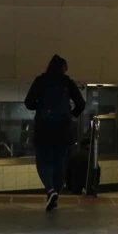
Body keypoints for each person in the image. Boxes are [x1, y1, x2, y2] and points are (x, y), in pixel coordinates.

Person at [24, 54, 85, 211]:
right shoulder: (67, 82)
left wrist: (40, 107)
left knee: (43, 161)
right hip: (63, 129)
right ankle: (56, 195)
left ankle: (50, 190)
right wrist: (71, 115)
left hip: (44, 128)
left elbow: (28, 102)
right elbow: (81, 103)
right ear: (63, 69)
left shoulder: (41, 81)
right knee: (59, 163)